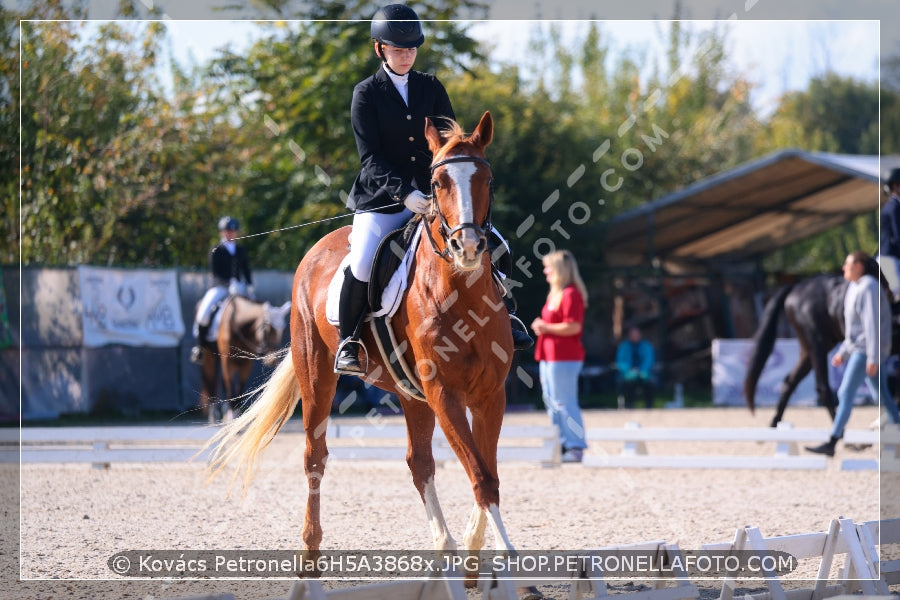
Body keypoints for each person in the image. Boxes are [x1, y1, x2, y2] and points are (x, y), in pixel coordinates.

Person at [334, 3, 532, 374]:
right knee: (361, 261)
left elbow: (452, 145)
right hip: (382, 200)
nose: (406, 55)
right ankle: (348, 341)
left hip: (439, 197)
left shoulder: (431, 87)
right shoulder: (366, 93)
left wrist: (444, 189)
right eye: (398, 49)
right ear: (380, 49)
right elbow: (370, 159)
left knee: (498, 245)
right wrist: (404, 194)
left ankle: (508, 314)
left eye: (411, 49)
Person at [806, 250, 900, 456]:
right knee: (882, 396)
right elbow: (853, 330)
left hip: (866, 350)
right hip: (860, 348)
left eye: (847, 264)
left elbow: (871, 325)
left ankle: (832, 441)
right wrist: (843, 351)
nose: (843, 268)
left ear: (859, 266)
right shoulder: (854, 288)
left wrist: (874, 356)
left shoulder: (869, 287)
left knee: (846, 393)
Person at [531, 250, 589, 463]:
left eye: (549, 267)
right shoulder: (556, 293)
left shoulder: (571, 293)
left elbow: (574, 326)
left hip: (564, 356)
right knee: (552, 402)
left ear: (560, 270)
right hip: (549, 355)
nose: (545, 271)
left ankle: (575, 445)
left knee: (564, 402)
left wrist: (545, 327)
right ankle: (562, 443)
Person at [190, 216, 254, 364]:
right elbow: (215, 273)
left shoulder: (241, 250)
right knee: (204, 313)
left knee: (257, 311)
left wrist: (249, 286)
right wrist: (227, 284)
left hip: (239, 287)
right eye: (227, 231)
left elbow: (246, 270)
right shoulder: (216, 250)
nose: (229, 234)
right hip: (220, 287)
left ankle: (257, 346)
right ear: (221, 232)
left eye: (232, 231)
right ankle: (199, 347)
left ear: (236, 232)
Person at [615, 326, 656, 409]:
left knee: (650, 382)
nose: (635, 337)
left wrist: (641, 371)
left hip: (643, 374)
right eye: (633, 335)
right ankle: (629, 404)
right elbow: (621, 362)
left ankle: (649, 406)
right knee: (629, 382)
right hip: (628, 374)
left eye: (636, 335)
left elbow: (649, 360)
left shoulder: (646, 346)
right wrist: (629, 370)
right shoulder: (624, 347)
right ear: (629, 336)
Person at [879, 167, 900, 299]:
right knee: (896, 287)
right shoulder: (893, 207)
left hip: (896, 253)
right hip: (890, 256)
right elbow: (898, 237)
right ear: (896, 186)